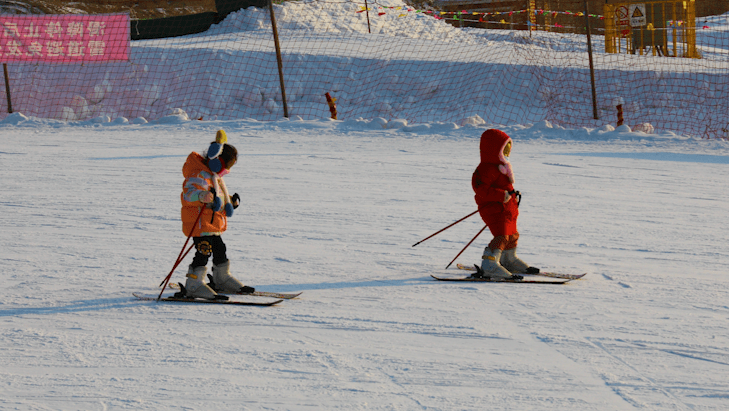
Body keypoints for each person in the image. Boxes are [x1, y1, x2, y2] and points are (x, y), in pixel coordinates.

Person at [178, 130, 254, 299]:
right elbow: (188, 195)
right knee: (204, 251)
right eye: (227, 165)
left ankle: (221, 278)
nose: (227, 170)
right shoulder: (198, 174)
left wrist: (230, 202)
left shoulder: (214, 177)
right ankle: (193, 285)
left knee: (220, 249)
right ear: (218, 161)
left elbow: (216, 200)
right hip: (198, 223)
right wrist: (201, 196)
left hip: (212, 223)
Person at [471, 129, 539, 279]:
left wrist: (513, 195)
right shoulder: (486, 169)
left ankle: (508, 259)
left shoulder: (501, 167)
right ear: (493, 149)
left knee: (513, 235)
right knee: (501, 236)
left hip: (507, 209)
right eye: (504, 148)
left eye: (508, 148)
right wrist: (502, 195)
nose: (507, 152)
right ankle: (489, 265)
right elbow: (480, 189)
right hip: (494, 209)